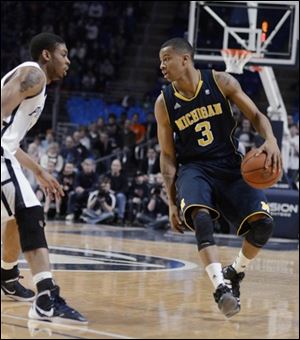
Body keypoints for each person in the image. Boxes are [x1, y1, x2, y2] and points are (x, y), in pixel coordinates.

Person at [154, 38, 282, 318]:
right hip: (193, 168)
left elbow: (257, 115)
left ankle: (234, 272)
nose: (162, 65)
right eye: (160, 60)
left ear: (185, 59)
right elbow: (166, 155)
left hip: (228, 164)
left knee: (263, 225)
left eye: (167, 59)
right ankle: (220, 287)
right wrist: (172, 201)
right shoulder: (164, 102)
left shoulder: (221, 81)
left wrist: (270, 139)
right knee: (200, 216)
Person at [1, 32, 87, 324]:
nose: (68, 60)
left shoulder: (36, 83)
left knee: (16, 216)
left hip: (5, 153)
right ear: (47, 55)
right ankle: (46, 297)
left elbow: (9, 138)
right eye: (64, 54)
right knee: (31, 211)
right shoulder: (33, 74)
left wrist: (38, 170)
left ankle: (8, 276)